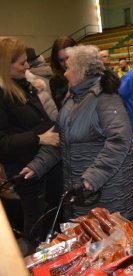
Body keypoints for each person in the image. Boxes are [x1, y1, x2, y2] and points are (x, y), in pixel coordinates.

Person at [22, 45, 133, 220]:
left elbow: (120, 139)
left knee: (111, 242)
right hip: (82, 192)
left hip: (107, 194)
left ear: (81, 71)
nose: (65, 73)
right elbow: (58, 138)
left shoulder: (106, 98)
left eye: (68, 68)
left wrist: (93, 177)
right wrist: (36, 166)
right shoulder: (72, 97)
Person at [0, 37, 60, 245]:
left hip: (45, 161)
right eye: (22, 63)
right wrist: (38, 138)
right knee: (36, 223)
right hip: (25, 169)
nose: (27, 66)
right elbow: (3, 144)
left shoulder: (25, 84)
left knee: (51, 217)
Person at [49, 36, 77, 110]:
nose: (66, 63)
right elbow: (62, 108)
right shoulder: (55, 81)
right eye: (61, 60)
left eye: (68, 58)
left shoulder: (87, 72)